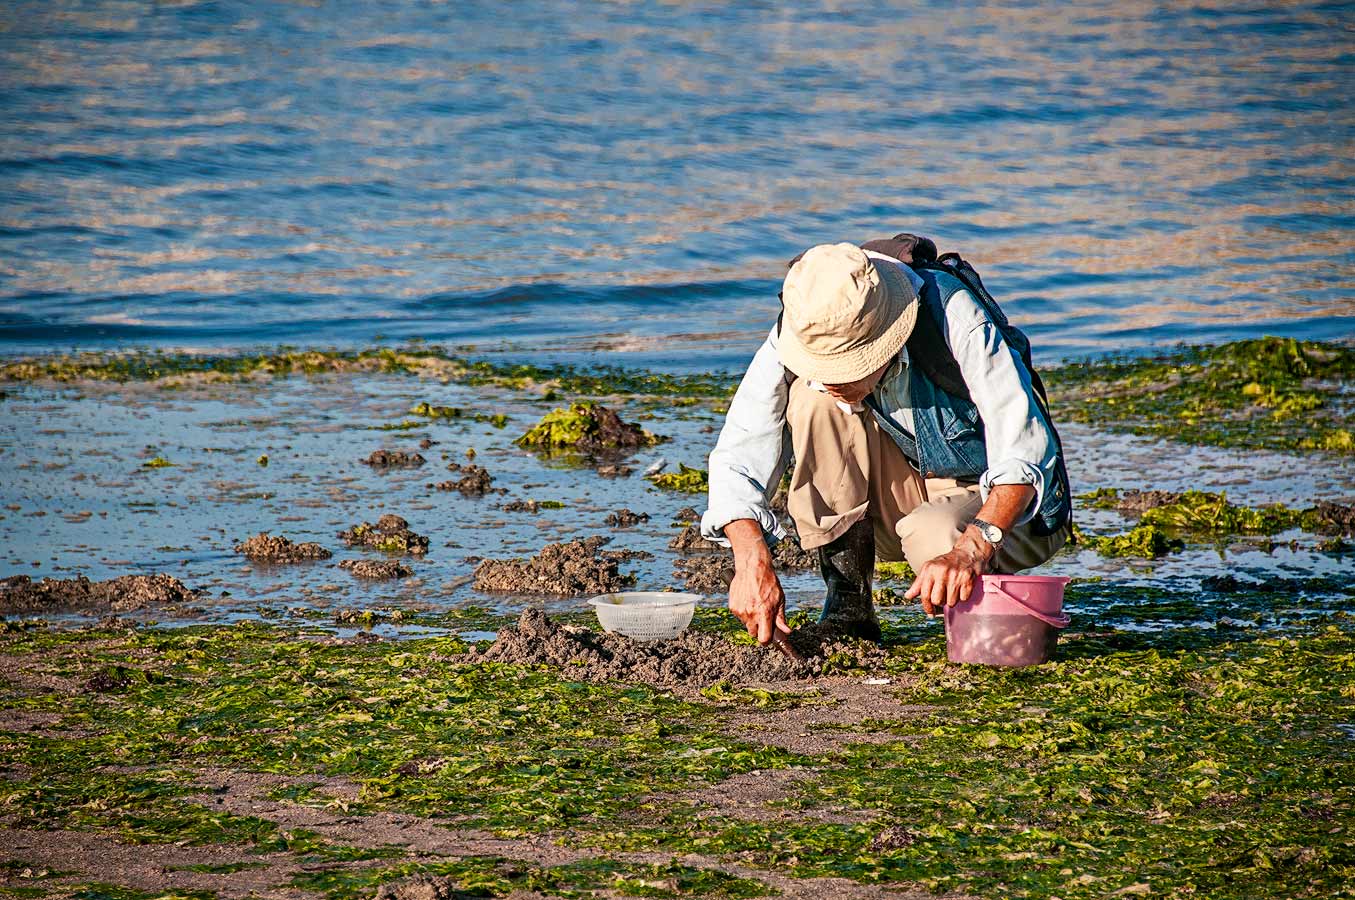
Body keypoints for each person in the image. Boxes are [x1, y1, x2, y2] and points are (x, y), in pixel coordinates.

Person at [700, 238, 1072, 645]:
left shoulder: (954, 314)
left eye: (843, 368)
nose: (828, 378)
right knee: (812, 401)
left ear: (886, 338)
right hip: (903, 496)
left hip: (1009, 513)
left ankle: (989, 601)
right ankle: (849, 609)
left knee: (933, 533)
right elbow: (739, 452)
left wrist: (972, 548)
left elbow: (1026, 454)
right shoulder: (808, 318)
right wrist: (750, 557)